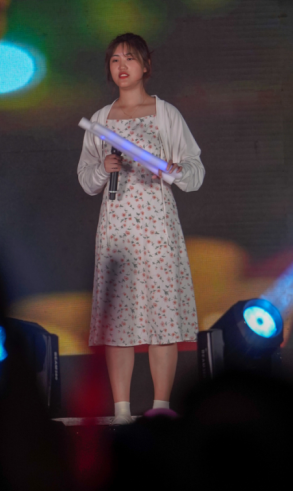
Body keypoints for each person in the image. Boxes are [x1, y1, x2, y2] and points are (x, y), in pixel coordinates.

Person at [78, 33, 205, 424]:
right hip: (117, 228)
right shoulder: (101, 120)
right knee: (118, 319)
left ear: (146, 65)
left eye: (130, 58)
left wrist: (170, 169)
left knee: (162, 315)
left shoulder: (165, 113)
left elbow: (194, 170)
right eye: (115, 59)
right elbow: (86, 178)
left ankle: (161, 407)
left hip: (158, 228)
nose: (122, 66)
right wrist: (104, 168)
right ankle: (121, 411)